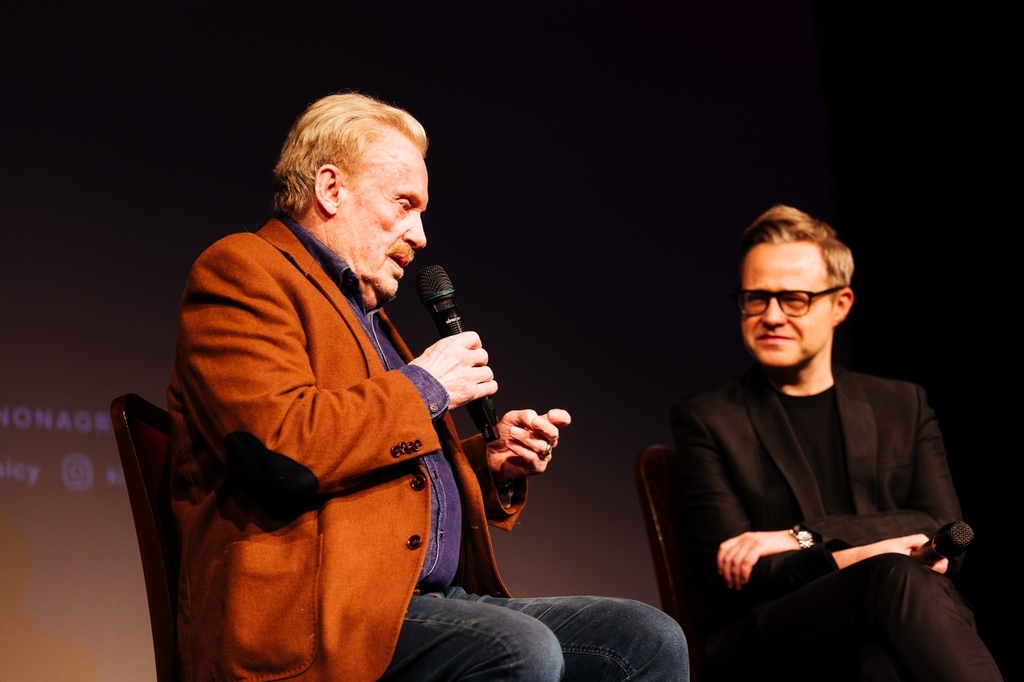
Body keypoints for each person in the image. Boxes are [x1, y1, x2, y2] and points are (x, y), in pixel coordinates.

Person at [166, 91, 687, 681]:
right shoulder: (244, 270)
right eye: (404, 204)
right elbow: (278, 448)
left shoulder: (365, 312)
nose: (419, 235)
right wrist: (426, 386)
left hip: (416, 603)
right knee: (521, 649)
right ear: (331, 189)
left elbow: (376, 463)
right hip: (312, 617)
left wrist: (486, 461)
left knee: (645, 639)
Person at [669, 205, 1002, 681]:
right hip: (774, 632)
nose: (772, 316)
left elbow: (944, 529)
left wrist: (800, 536)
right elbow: (740, 573)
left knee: (883, 659)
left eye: (794, 299)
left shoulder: (901, 404)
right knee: (893, 575)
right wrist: (863, 555)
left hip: (892, 618)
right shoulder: (708, 417)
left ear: (841, 304)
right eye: (756, 298)